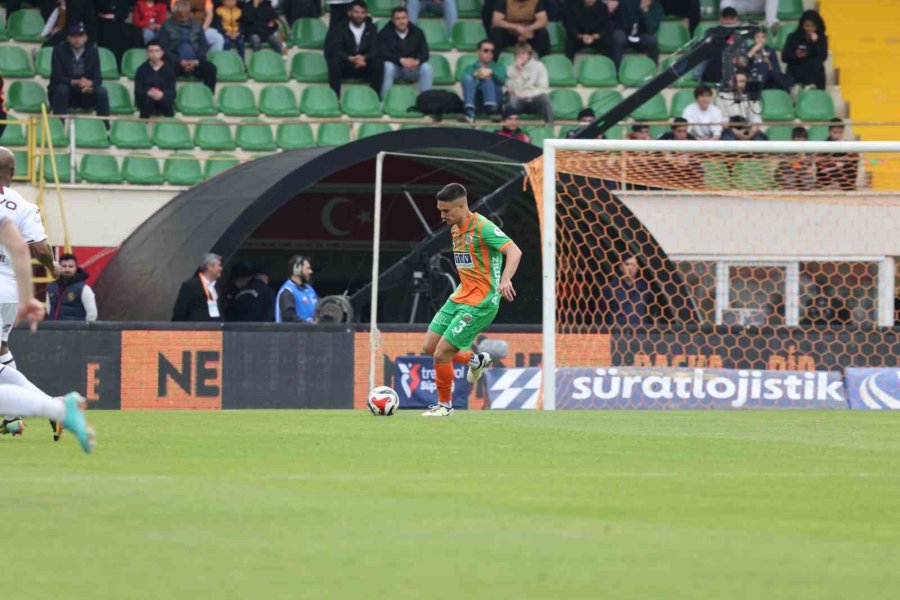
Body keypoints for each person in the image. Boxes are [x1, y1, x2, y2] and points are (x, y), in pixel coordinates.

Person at [421, 183, 522, 417]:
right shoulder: (455, 228)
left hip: (481, 302)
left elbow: (514, 251)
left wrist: (505, 279)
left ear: (461, 206)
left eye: (446, 211)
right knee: (429, 347)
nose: (442, 216)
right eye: (440, 210)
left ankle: (445, 407)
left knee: (441, 354)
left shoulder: (483, 227)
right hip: (459, 296)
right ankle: (475, 361)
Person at [0, 210, 95, 453]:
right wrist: (25, 296)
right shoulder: (12, 207)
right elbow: (20, 247)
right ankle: (48, 411)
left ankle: (56, 409)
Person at [49, 22, 111, 119]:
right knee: (61, 89)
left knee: (101, 91)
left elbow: (98, 78)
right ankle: (59, 125)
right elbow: (56, 77)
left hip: (85, 92)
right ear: (69, 38)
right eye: (73, 36)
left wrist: (90, 83)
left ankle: (105, 126)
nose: (77, 39)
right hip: (67, 91)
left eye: (80, 36)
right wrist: (75, 82)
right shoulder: (58, 51)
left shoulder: (93, 52)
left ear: (85, 38)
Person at [324, 0, 382, 98]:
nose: (359, 15)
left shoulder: (371, 27)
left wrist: (364, 58)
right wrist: (349, 58)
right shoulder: (340, 27)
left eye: (362, 12)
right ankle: (334, 98)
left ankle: (374, 98)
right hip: (347, 64)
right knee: (334, 62)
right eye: (356, 12)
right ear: (349, 13)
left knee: (378, 63)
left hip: (364, 64)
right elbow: (336, 48)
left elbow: (376, 48)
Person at [159, 1, 218, 92]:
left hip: (195, 62)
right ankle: (169, 98)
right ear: (174, 14)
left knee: (211, 69)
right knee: (166, 70)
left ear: (189, 13)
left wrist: (196, 61)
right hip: (175, 62)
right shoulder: (166, 25)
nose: (183, 18)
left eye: (186, 15)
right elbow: (164, 48)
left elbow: (203, 45)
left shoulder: (197, 25)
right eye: (180, 15)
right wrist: (179, 61)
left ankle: (208, 96)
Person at [378, 6, 433, 100]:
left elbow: (425, 53)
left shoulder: (418, 32)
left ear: (408, 18)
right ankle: (385, 100)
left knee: (427, 68)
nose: (401, 21)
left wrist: (416, 61)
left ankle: (426, 100)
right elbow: (382, 53)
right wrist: (401, 60)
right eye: (397, 18)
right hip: (395, 69)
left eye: (403, 18)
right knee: (387, 66)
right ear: (392, 20)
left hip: (412, 69)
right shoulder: (384, 33)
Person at [504, 42, 553, 123]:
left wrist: (526, 95)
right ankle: (509, 129)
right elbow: (512, 89)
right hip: (518, 100)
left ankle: (550, 126)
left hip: (534, 99)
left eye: (523, 53)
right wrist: (518, 71)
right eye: (517, 54)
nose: (520, 56)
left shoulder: (539, 66)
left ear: (529, 55)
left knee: (545, 99)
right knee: (512, 100)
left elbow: (543, 88)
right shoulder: (510, 68)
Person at [458, 39, 505, 123]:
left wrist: (491, 73)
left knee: (487, 79)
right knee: (467, 78)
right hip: (477, 102)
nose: (489, 53)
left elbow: (502, 81)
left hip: (495, 100)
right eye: (486, 50)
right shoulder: (470, 68)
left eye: (492, 51)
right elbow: (465, 82)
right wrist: (475, 75)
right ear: (479, 52)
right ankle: (469, 111)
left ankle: (491, 109)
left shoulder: (498, 67)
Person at [607, 0, 662, 67]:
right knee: (618, 36)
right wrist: (610, 11)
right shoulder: (624, 2)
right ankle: (616, 71)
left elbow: (651, 29)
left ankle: (653, 69)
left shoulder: (655, 5)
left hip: (640, 36)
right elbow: (609, 21)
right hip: (623, 34)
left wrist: (645, 11)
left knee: (652, 40)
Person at [782, 10, 827, 90]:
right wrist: (796, 55)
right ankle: (797, 87)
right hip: (797, 67)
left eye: (813, 26)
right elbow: (784, 57)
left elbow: (822, 57)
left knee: (815, 63)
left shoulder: (821, 38)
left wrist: (815, 43)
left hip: (813, 70)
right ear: (802, 25)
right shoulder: (793, 37)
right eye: (807, 26)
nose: (809, 29)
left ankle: (813, 87)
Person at [601, 253, 651, 327]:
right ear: (621, 267)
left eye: (634, 265)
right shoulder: (609, 288)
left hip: (640, 334)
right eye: (627, 264)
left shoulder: (645, 289)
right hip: (617, 335)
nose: (630, 268)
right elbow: (602, 311)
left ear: (638, 268)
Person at [171, 253, 224, 321]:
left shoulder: (217, 286)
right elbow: (180, 311)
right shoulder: (191, 285)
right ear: (209, 267)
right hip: (197, 329)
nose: (221, 268)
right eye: (219, 265)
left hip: (216, 328)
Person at [46, 253, 98, 321]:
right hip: (54, 329)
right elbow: (49, 309)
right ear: (59, 267)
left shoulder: (84, 289)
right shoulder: (51, 287)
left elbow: (92, 314)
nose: (67, 269)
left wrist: (82, 330)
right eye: (64, 266)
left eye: (71, 266)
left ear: (76, 268)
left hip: (75, 330)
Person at [134, 40, 177, 119]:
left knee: (166, 101)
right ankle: (143, 127)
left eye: (157, 51)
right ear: (147, 53)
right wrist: (148, 93)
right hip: (147, 99)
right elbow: (138, 91)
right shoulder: (141, 70)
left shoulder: (169, 69)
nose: (154, 54)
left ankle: (171, 127)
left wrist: (162, 94)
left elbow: (172, 91)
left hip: (163, 99)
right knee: (147, 101)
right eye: (151, 51)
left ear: (162, 53)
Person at [95, 0, 144, 65]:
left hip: (119, 23)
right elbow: (97, 11)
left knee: (134, 33)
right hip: (101, 24)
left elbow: (124, 13)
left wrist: (114, 16)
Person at [817, 118, 858, 190]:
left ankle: (848, 186)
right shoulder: (825, 144)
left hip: (842, 170)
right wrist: (834, 163)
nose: (838, 135)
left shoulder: (845, 143)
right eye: (835, 132)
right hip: (828, 172)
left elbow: (855, 158)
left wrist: (850, 154)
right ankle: (825, 185)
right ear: (830, 132)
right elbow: (818, 161)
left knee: (853, 163)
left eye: (840, 132)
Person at [717, 71, 762, 137]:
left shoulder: (752, 97)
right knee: (728, 137)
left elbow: (756, 120)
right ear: (730, 82)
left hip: (749, 129)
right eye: (735, 81)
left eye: (741, 81)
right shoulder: (722, 97)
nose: (738, 84)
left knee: (760, 139)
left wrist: (750, 133)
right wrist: (738, 133)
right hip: (730, 130)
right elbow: (723, 121)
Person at [275, 255, 318, 323]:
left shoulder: (310, 289)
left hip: (310, 333)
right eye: (307, 268)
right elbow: (289, 317)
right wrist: (309, 324)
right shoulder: (288, 291)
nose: (311, 271)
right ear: (296, 269)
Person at [774, 126, 814, 190]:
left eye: (802, 139)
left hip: (802, 175)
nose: (800, 142)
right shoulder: (786, 149)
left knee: (809, 180)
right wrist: (793, 160)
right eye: (797, 139)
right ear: (792, 139)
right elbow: (782, 164)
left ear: (806, 140)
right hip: (788, 173)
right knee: (790, 178)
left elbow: (810, 167)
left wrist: (804, 159)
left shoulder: (809, 151)